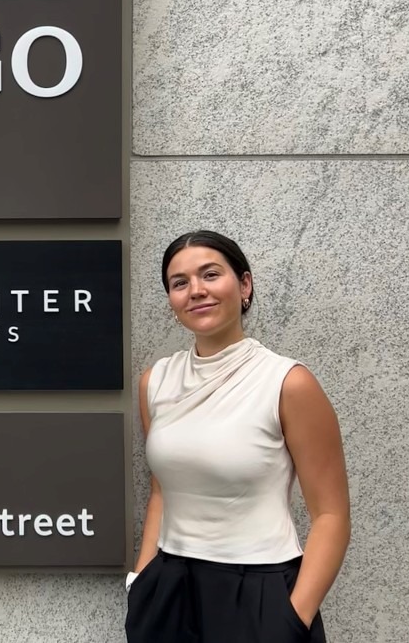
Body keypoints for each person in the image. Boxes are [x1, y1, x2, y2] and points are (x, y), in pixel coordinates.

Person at [126, 230, 350, 643]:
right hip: (170, 591)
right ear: (172, 301)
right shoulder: (154, 382)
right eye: (180, 283)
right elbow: (162, 491)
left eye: (210, 274)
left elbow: (331, 516)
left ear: (243, 285)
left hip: (259, 592)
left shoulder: (287, 382)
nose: (196, 290)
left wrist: (291, 620)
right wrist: (141, 581)